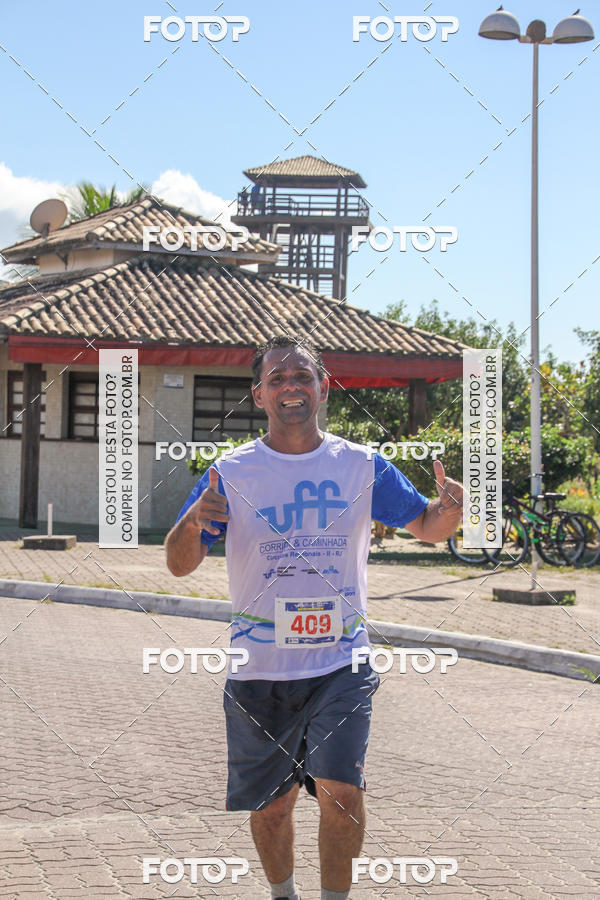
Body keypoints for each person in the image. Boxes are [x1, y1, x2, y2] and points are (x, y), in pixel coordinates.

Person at [165, 336, 464, 900]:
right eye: (276, 379)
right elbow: (180, 566)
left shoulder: (361, 465)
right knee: (273, 808)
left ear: (323, 388)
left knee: (342, 793)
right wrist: (191, 525)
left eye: (301, 376)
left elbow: (428, 526)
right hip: (259, 669)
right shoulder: (231, 473)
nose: (290, 387)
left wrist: (450, 508)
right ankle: (284, 895)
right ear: (259, 395)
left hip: (340, 662)